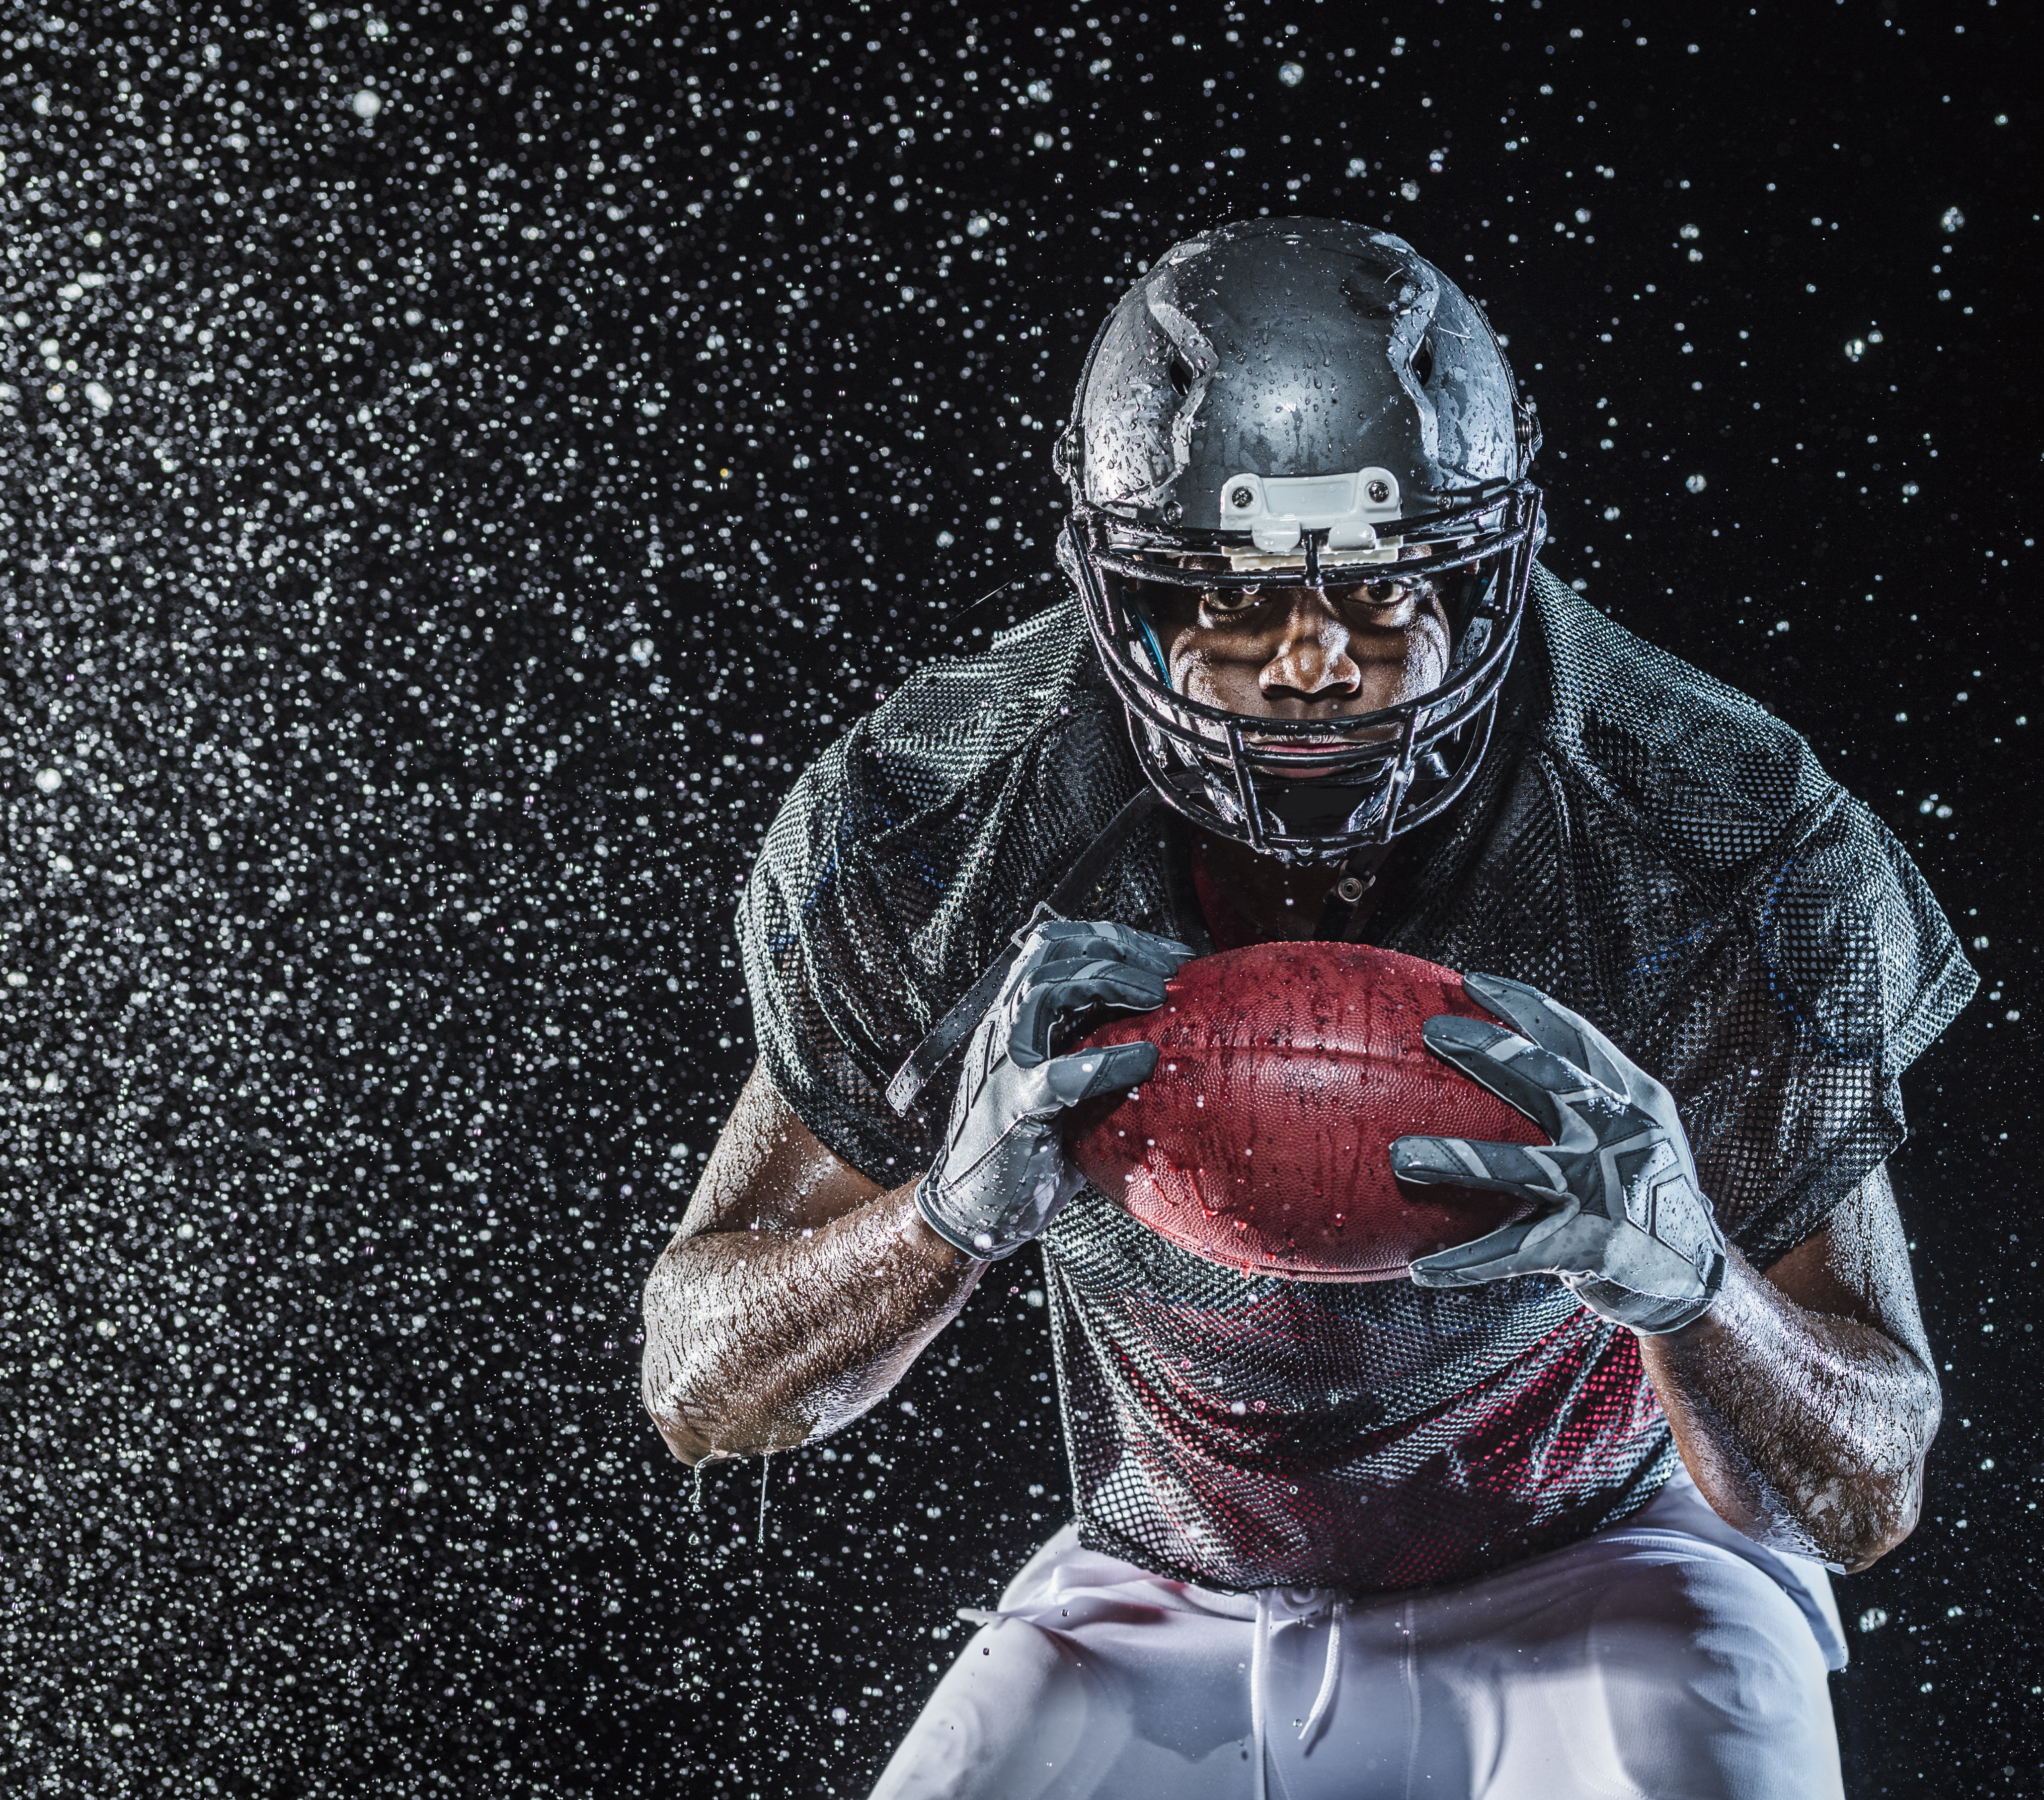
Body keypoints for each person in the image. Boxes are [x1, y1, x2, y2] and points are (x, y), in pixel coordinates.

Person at [640, 217, 1974, 1799]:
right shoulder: (948, 822)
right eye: (1233, 601)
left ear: (1491, 570)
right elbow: (696, 1381)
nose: (1316, 667)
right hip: (1171, 1577)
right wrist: (938, 1221)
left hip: (1606, 1558)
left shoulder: (1704, 829)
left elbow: (1865, 1483)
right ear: (1113, 588)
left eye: (1387, 590)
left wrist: (1696, 1285)